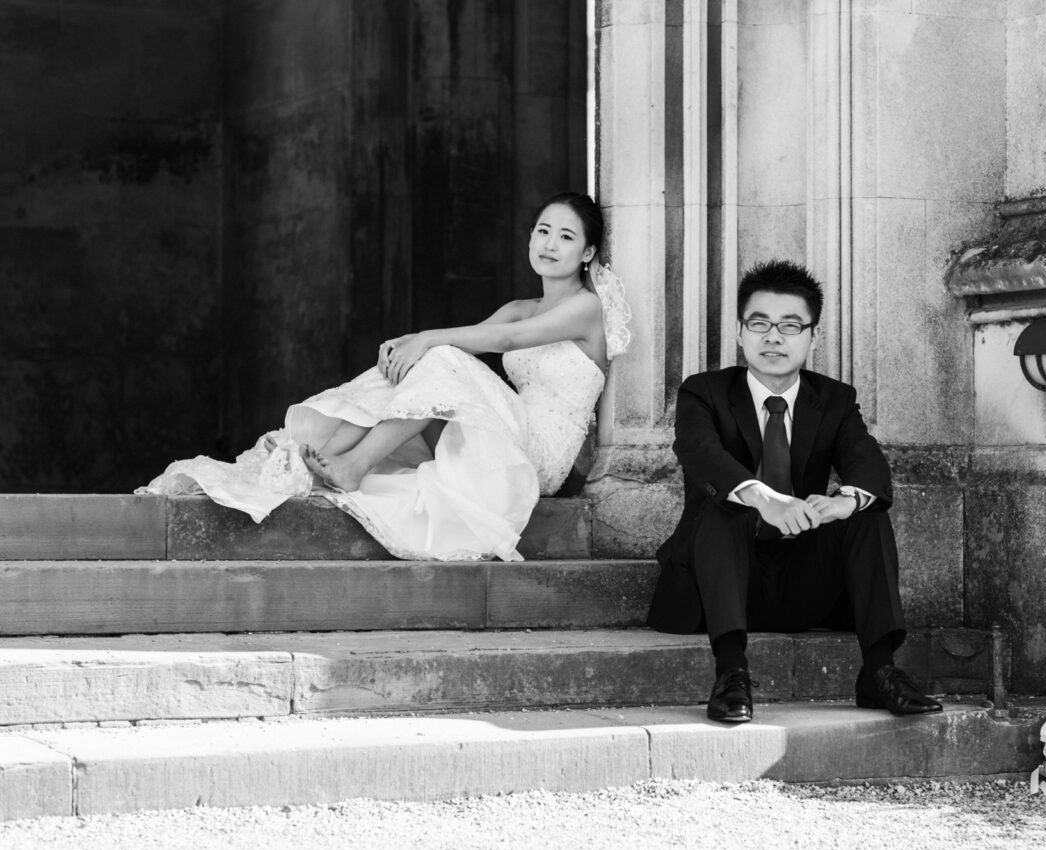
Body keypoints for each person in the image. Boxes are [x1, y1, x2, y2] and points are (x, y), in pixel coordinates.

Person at [140, 192, 631, 561]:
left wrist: (423, 337)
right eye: (543, 231)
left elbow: (501, 343)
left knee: (438, 355)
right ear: (530, 236)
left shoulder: (586, 309)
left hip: (537, 457)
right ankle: (329, 449)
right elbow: (464, 343)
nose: (549, 244)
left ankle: (351, 465)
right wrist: (416, 347)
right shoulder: (520, 306)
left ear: (586, 254)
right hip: (504, 435)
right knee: (429, 359)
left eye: (566, 238)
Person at [645, 259, 940, 723]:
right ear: (740, 333)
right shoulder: (704, 392)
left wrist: (843, 502)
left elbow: (868, 462)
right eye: (759, 324)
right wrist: (763, 496)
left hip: (802, 579)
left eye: (789, 325)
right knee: (727, 507)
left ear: (812, 337)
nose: (773, 337)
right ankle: (731, 674)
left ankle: (879, 671)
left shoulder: (835, 399)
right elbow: (699, 451)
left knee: (867, 514)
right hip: (720, 582)